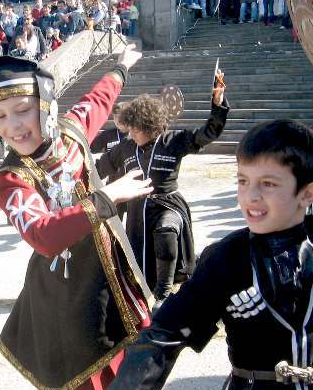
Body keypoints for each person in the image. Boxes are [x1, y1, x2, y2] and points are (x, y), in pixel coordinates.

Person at [85, 117, 313, 390]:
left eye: (268, 184)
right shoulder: (226, 259)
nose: (250, 196)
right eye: (243, 180)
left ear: (309, 192)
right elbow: (161, 337)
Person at [0, 46, 167, 390]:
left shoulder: (71, 134)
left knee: (134, 376)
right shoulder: (11, 179)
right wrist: (106, 198)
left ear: (45, 105)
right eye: (0, 116)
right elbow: (43, 235)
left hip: (111, 281)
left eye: (22, 110)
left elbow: (98, 100)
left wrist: (121, 66)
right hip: (61, 297)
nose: (12, 126)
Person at [96, 81, 228, 306]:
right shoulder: (126, 147)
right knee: (138, 261)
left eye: (136, 129)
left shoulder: (173, 141)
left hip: (168, 205)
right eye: (130, 128)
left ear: (149, 126)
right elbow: (100, 167)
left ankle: (163, 292)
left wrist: (217, 106)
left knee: (166, 230)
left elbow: (208, 133)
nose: (131, 133)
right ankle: (143, 290)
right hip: (138, 211)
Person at [90, 102, 129, 219]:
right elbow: (90, 146)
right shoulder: (109, 135)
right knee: (114, 220)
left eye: (121, 120)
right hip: (114, 184)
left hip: (133, 183)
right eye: (116, 120)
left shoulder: (137, 135)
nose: (118, 123)